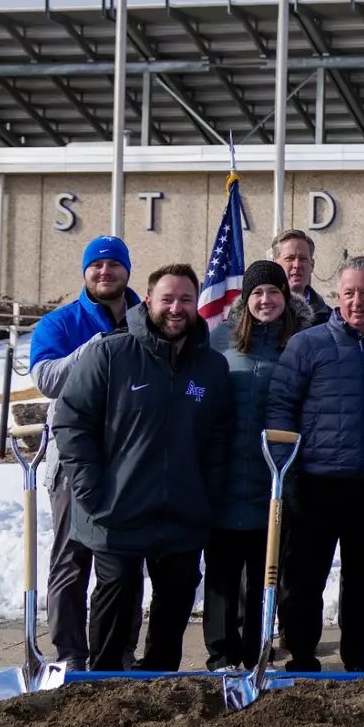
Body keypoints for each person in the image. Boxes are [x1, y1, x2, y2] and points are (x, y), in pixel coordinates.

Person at [51, 264, 233, 672]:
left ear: (197, 305)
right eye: (167, 299)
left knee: (174, 607)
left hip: (182, 515)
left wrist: (208, 493)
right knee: (115, 604)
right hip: (117, 513)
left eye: (186, 299)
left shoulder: (211, 367)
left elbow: (220, 436)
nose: (176, 308)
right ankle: (105, 688)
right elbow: (71, 422)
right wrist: (93, 492)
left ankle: (160, 684)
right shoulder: (110, 353)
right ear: (148, 301)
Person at [266, 256, 364, 672]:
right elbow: (281, 405)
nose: (357, 302)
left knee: (361, 582)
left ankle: (358, 660)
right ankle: (302, 658)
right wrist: (286, 472)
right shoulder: (308, 344)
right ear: (337, 297)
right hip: (315, 485)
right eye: (349, 293)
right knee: (305, 580)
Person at [28, 234, 142, 671]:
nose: (104, 272)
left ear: (126, 271)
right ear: (85, 271)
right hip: (74, 461)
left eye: (114, 264)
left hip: (131, 460)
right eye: (96, 265)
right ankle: (72, 654)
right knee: (71, 560)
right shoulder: (60, 323)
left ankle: (120, 650)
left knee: (126, 563)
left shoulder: (145, 318)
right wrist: (96, 348)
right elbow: (49, 380)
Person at [204, 260, 313, 672]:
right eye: (257, 294)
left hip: (275, 478)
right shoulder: (220, 341)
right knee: (221, 574)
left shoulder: (302, 343)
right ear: (245, 300)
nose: (265, 301)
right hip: (225, 474)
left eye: (274, 293)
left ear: (286, 298)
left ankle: (254, 654)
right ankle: (220, 656)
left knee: (262, 573)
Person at [271, 228, 331, 323]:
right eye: (290, 258)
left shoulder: (329, 319)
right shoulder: (260, 314)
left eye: (303, 259)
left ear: (312, 265)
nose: (297, 265)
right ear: (275, 265)